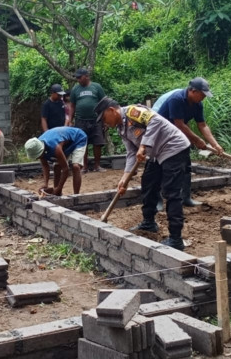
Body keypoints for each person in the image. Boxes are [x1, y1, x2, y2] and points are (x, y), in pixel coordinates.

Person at [95, 96, 191, 251]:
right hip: (156, 153)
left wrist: (144, 145)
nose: (105, 123)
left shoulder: (133, 112)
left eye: (104, 119)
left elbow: (156, 121)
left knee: (171, 192)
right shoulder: (121, 128)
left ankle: (176, 239)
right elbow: (132, 153)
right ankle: (149, 222)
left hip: (173, 147)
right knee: (148, 184)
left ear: (111, 110)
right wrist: (124, 178)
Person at [153, 77, 224, 207]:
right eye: (202, 94)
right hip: (161, 135)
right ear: (192, 91)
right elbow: (179, 123)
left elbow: (202, 125)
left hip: (178, 135)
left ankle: (186, 197)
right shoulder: (177, 99)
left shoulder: (198, 104)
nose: (203, 98)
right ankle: (157, 200)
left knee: (185, 166)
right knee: (160, 167)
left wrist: (215, 144)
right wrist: (197, 140)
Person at [24, 127, 88, 196]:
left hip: (78, 138)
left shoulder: (55, 148)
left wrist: (59, 188)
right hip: (64, 143)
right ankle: (57, 193)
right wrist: (46, 184)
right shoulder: (36, 145)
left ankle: (76, 196)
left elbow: (65, 169)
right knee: (57, 167)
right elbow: (45, 166)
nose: (37, 158)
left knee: (76, 167)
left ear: (41, 151)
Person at [69, 67, 107, 172]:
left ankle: (97, 166)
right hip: (80, 120)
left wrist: (105, 119)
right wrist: (70, 119)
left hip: (96, 119)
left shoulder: (96, 87)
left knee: (97, 142)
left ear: (86, 76)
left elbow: (104, 102)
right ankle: (84, 166)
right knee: (82, 143)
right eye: (77, 78)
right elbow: (72, 105)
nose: (78, 80)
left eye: (80, 77)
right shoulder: (75, 89)